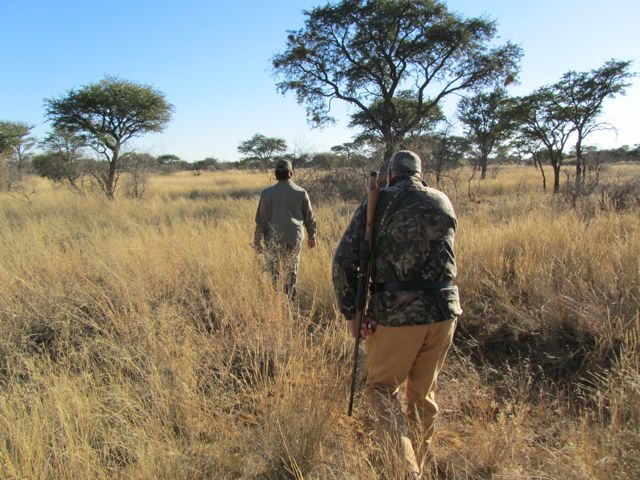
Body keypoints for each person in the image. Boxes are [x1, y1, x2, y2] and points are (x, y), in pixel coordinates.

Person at [332, 150, 462, 479]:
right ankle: (415, 459)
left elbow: (343, 260)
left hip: (396, 313)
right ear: (421, 174)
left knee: (380, 389)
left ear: (390, 176)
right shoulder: (442, 200)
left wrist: (351, 311)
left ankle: (406, 473)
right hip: (445, 311)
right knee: (422, 395)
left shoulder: (381, 202)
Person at [253, 159, 317, 299]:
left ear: (276, 174)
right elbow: (309, 218)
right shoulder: (301, 192)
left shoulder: (267, 194)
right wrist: (312, 236)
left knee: (274, 272)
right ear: (291, 173)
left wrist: (257, 242)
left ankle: (278, 301)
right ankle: (290, 302)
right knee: (291, 271)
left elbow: (261, 221)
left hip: (273, 239)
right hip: (294, 238)